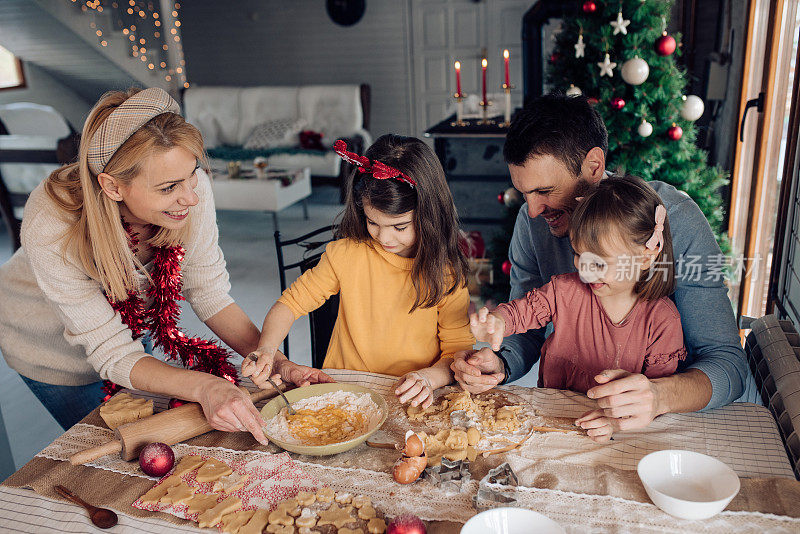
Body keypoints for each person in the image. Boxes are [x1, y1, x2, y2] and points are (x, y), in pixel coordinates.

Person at [0, 87, 327, 442]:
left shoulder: (188, 187)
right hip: (53, 355)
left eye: (192, 175)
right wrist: (206, 388)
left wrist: (277, 362)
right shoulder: (52, 220)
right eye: (170, 187)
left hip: (129, 331)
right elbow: (110, 350)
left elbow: (208, 292)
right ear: (112, 187)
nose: (191, 197)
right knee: (114, 454)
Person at [452, 94, 755, 438]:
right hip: (572, 418)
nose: (533, 211)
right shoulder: (531, 221)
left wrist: (657, 396)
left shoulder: (673, 219)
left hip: (661, 428)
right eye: (525, 193)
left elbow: (729, 365)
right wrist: (499, 364)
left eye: (545, 191)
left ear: (594, 166)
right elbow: (528, 327)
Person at [243, 135, 475, 409]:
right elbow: (290, 305)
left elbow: (458, 349)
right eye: (372, 222)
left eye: (399, 227)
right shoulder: (345, 254)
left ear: (430, 215)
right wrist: (268, 349)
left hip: (411, 397)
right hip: (343, 392)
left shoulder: (445, 274)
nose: (384, 237)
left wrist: (430, 378)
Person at [471, 176, 686, 441]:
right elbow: (521, 311)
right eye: (578, 254)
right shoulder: (564, 290)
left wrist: (615, 422)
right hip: (551, 420)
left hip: (622, 434)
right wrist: (497, 322)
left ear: (646, 256)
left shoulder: (662, 320)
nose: (585, 270)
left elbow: (653, 399)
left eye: (599, 263)